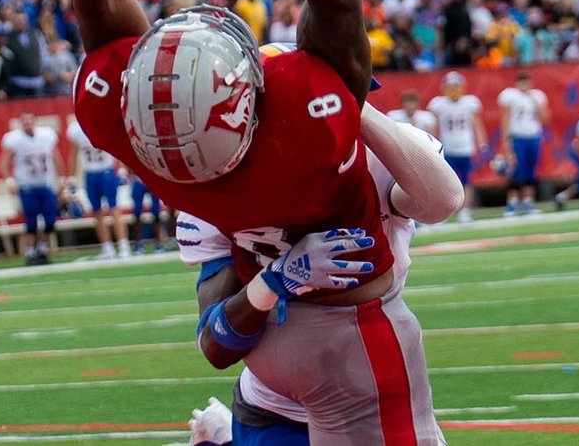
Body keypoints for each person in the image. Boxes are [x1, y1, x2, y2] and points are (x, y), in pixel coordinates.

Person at [48, 0, 439, 442]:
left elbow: (101, 11)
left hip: (267, 375)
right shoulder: (308, 118)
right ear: (245, 102)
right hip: (351, 351)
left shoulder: (140, 134)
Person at [179, 103, 461, 445]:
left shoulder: (378, 155)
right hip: (276, 404)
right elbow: (215, 345)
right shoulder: (220, 188)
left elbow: (442, 200)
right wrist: (273, 282)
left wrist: (356, 103)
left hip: (374, 379)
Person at [0, 111, 66, 265]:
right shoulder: (14, 139)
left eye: (29, 120)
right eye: (24, 121)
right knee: (31, 221)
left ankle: (42, 249)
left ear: (35, 121)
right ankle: (30, 252)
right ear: (20, 123)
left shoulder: (46, 135)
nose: (27, 123)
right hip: (26, 185)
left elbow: (55, 156)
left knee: (50, 219)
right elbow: (3, 162)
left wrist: (63, 177)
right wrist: (9, 179)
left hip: (45, 184)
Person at [66, 114, 131, 260]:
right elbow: (74, 154)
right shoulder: (76, 129)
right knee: (97, 212)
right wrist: (71, 177)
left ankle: (123, 245)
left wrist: (120, 168)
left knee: (114, 208)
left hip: (106, 170)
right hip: (90, 173)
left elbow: (117, 147)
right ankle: (107, 247)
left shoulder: (103, 122)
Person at [426, 73, 487, 223]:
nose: (453, 90)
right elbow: (433, 127)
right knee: (445, 182)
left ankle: (465, 211)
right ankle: (445, 212)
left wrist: (482, 143)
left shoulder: (469, 103)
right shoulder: (438, 104)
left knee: (466, 181)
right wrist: (431, 145)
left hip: (466, 147)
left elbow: (476, 124)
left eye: (455, 86)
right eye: (450, 87)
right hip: (446, 147)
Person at [498, 71, 549, 216]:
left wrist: (534, 101)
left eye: (526, 81)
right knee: (514, 171)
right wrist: (506, 141)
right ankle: (512, 204)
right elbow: (505, 119)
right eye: (521, 81)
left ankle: (528, 202)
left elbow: (545, 118)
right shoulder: (510, 96)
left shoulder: (537, 96)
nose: (524, 85)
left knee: (530, 172)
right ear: (516, 83)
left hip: (533, 137)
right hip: (517, 137)